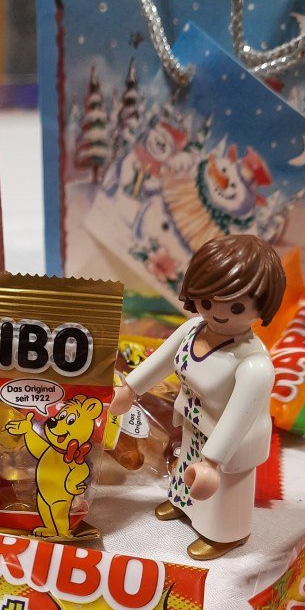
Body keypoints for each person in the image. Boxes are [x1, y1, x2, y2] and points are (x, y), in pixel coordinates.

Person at [111, 233, 285, 559]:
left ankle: (225, 534)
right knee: (184, 468)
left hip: (229, 441)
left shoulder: (254, 365)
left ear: (262, 303)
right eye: (208, 301)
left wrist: (214, 461)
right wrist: (130, 390)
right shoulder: (191, 331)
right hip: (194, 424)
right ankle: (183, 505)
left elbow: (238, 418)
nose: (218, 313)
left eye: (236, 306)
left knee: (223, 492)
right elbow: (160, 361)